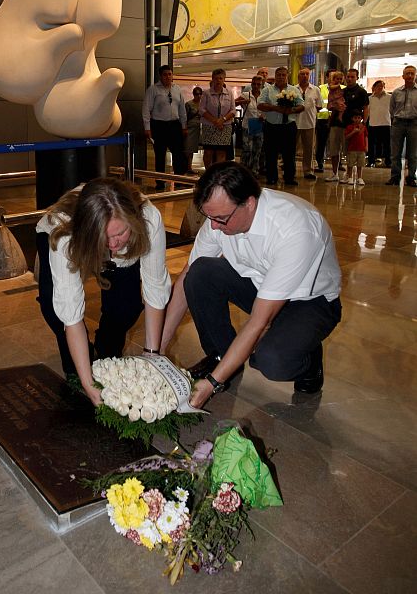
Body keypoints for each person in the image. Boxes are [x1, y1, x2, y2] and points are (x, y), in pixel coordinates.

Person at [159, 162, 342, 407]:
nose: (213, 226)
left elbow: (260, 321)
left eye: (221, 218)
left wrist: (212, 383)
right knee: (200, 272)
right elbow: (186, 279)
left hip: (311, 302)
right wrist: (157, 350)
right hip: (260, 283)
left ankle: (308, 359)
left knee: (271, 360)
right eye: (209, 217)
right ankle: (221, 355)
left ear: (249, 203)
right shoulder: (221, 217)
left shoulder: (295, 229)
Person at [36, 178, 171, 404]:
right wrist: (88, 384)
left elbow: (155, 288)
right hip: (64, 235)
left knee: (126, 308)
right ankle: (77, 365)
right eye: (104, 237)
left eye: (119, 233)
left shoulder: (149, 219)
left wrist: (152, 356)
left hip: (119, 246)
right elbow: (71, 314)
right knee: (55, 310)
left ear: (133, 221)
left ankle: (107, 354)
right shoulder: (64, 231)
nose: (113, 244)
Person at [142, 65, 188, 190]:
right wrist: (147, 128)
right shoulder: (153, 89)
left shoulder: (177, 89)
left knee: (178, 154)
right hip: (159, 126)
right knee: (160, 155)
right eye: (165, 74)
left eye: (169, 74)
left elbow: (182, 109)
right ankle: (160, 182)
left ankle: (179, 180)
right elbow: (146, 109)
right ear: (160, 76)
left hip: (175, 125)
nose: (168, 77)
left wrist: (184, 125)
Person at [258, 66, 304, 186]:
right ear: (275, 76)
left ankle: (289, 178)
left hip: (288, 126)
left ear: (287, 76)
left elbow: (302, 105)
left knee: (289, 153)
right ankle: (272, 177)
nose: (281, 77)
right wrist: (274, 108)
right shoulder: (267, 90)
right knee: (271, 153)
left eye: (283, 75)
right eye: (279, 75)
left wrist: (292, 110)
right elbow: (260, 104)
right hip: (271, 126)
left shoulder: (294, 90)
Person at [385, 65, 417, 187]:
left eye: (412, 74)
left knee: (413, 153)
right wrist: (395, 119)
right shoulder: (396, 92)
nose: (409, 76)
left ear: (415, 76)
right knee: (395, 152)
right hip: (398, 123)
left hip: (414, 124)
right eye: (407, 74)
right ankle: (395, 177)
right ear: (403, 76)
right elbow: (391, 109)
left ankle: (411, 177)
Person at [200, 68, 236, 169]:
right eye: (216, 78)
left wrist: (222, 120)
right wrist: (215, 121)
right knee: (208, 152)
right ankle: (209, 172)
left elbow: (233, 110)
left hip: (225, 127)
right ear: (212, 79)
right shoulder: (206, 93)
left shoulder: (229, 93)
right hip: (209, 126)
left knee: (221, 152)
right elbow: (202, 110)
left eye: (220, 78)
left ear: (224, 79)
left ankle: (218, 173)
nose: (218, 80)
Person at [295, 67, 322, 179]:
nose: (305, 76)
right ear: (298, 76)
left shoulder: (315, 89)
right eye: (302, 74)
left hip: (310, 123)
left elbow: (319, 106)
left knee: (309, 148)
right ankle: (290, 169)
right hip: (295, 122)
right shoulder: (293, 89)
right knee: (292, 147)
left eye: (307, 74)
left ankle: (308, 170)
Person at [235, 75, 264, 176]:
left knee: (257, 149)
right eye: (254, 84)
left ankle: (255, 170)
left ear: (261, 85)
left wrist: (263, 116)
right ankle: (243, 169)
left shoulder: (264, 96)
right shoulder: (246, 94)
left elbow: (267, 108)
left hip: (259, 125)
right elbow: (233, 103)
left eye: (258, 84)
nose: (256, 86)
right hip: (247, 125)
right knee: (247, 149)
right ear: (251, 84)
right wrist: (242, 102)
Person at [325, 70, 347, 182]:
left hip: (344, 125)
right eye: (336, 79)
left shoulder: (344, 91)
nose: (338, 81)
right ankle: (334, 173)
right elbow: (330, 105)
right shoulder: (332, 88)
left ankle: (348, 174)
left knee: (346, 149)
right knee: (334, 149)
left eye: (340, 79)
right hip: (334, 124)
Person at [367, 80, 391, 167]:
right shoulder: (370, 98)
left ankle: (388, 162)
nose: (380, 87)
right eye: (378, 86)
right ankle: (371, 161)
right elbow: (367, 111)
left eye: (382, 86)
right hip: (373, 123)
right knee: (372, 144)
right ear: (374, 87)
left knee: (387, 144)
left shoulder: (389, 97)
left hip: (386, 123)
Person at [343, 111, 367, 185]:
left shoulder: (363, 127)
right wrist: (353, 132)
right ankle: (350, 177)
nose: (357, 119)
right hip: (352, 149)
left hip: (361, 149)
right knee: (350, 164)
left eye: (359, 118)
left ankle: (359, 178)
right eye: (355, 118)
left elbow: (366, 137)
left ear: (361, 118)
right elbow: (346, 137)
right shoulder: (349, 127)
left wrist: (366, 146)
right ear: (352, 118)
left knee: (360, 164)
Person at [184, 86, 203, 173]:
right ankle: (187, 167)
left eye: (200, 94)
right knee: (188, 148)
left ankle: (189, 167)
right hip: (190, 127)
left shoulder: (203, 104)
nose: (198, 96)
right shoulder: (189, 104)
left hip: (199, 128)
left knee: (194, 148)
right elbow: (185, 117)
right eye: (196, 94)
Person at [314, 77, 330, 173]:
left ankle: (338, 164)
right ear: (328, 78)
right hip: (322, 119)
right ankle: (319, 163)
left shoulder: (343, 88)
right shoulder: (321, 88)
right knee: (321, 143)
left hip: (336, 120)